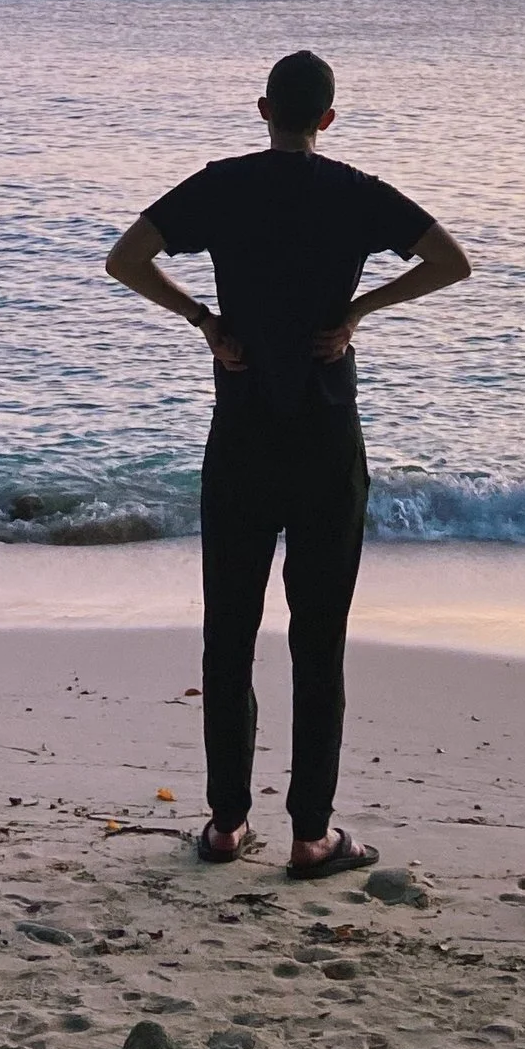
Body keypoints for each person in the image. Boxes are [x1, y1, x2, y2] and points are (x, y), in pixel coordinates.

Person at [105, 51, 471, 879]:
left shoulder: (223, 183)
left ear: (262, 108)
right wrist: (357, 311)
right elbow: (452, 261)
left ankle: (227, 823)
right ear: (328, 119)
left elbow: (125, 259)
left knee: (228, 632)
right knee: (320, 637)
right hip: (325, 433)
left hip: (241, 433)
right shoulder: (354, 191)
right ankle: (311, 833)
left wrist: (204, 317)